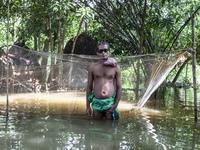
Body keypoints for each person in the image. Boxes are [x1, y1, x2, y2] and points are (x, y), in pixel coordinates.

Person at [86, 42, 122, 120]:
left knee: (110, 128)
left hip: (110, 103)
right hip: (97, 102)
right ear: (97, 53)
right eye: (100, 51)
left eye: (105, 50)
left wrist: (115, 105)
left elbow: (119, 87)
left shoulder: (116, 68)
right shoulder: (92, 67)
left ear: (109, 51)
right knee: (96, 127)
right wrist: (88, 107)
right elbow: (89, 87)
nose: (103, 53)